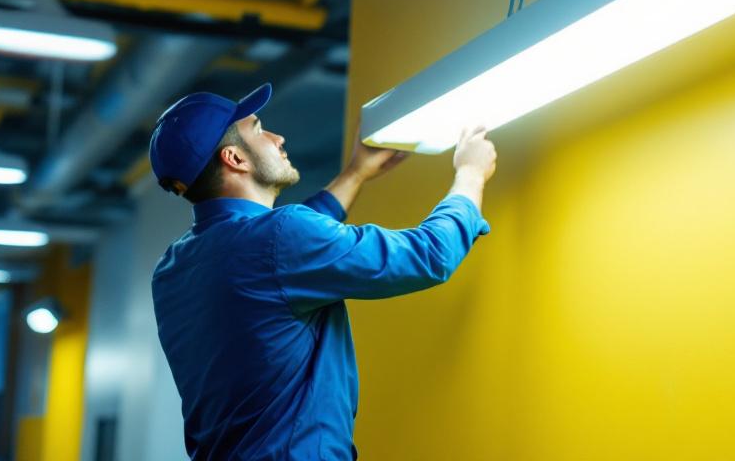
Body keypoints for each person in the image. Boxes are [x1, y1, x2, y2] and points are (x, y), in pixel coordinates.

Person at [148, 82, 496, 460]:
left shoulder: (172, 270)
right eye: (260, 129)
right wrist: (470, 175)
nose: (278, 138)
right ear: (235, 158)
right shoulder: (280, 240)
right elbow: (428, 255)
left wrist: (356, 173)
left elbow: (282, 251)